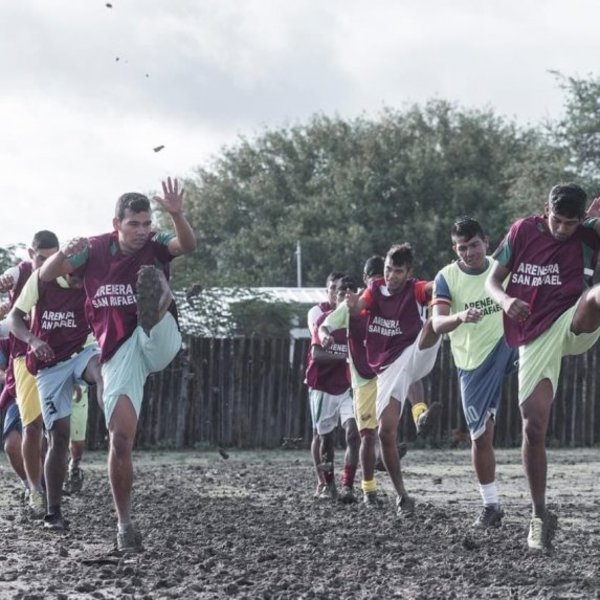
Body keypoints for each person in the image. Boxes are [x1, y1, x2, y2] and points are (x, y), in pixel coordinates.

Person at [39, 177, 196, 552]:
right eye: (134, 224)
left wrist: (177, 215)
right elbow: (46, 276)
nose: (142, 231)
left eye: (146, 223)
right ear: (116, 224)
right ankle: (124, 525)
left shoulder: (156, 245)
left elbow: (186, 245)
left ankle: (155, 307)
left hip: (160, 337)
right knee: (120, 439)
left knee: (154, 293)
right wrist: (63, 256)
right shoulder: (92, 250)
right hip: (119, 352)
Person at [486, 183, 600, 551]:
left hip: (572, 318)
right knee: (533, 427)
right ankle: (539, 515)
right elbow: (492, 280)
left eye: (571, 222)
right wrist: (505, 301)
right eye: (557, 220)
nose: (563, 229)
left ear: (582, 217)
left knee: (598, 294)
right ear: (544, 209)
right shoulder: (522, 230)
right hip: (534, 333)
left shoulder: (590, 233)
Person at [432, 217, 517, 528]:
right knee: (481, 437)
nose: (469, 252)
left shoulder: (502, 267)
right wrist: (461, 316)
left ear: (487, 241)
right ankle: (491, 505)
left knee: (535, 409)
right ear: (455, 249)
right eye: (462, 248)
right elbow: (437, 324)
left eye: (474, 245)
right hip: (472, 364)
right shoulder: (446, 277)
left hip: (507, 347)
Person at [346, 244, 441, 517]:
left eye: (398, 271)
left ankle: (419, 411)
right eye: (388, 269)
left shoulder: (415, 288)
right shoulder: (374, 289)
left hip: (413, 354)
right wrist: (353, 306)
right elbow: (360, 305)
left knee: (432, 324)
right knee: (386, 433)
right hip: (386, 370)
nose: (391, 275)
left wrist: (448, 281)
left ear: (408, 272)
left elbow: (433, 287)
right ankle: (402, 496)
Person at [8, 270, 103, 531]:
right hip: (49, 365)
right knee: (57, 437)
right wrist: (33, 340)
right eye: (76, 277)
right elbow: (14, 319)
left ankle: (114, 423)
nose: (80, 282)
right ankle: (53, 510)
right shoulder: (41, 281)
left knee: (100, 369)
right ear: (65, 269)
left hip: (83, 351)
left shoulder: (95, 283)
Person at [0, 230, 60, 517]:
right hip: (20, 370)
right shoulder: (21, 272)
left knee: (50, 435)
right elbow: (9, 276)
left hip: (54, 367)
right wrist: (5, 282)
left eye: (51, 258)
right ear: (30, 255)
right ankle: (32, 486)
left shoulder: (65, 278)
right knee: (14, 443)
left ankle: (48, 491)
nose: (45, 265)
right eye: (40, 258)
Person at [306, 275, 359, 502]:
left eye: (349, 295)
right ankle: (328, 485)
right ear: (334, 298)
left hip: (348, 386)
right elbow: (317, 355)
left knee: (353, 433)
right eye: (340, 295)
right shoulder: (324, 321)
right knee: (325, 437)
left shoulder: (358, 323)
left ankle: (348, 485)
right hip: (323, 386)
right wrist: (346, 357)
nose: (344, 300)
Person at [306, 271, 344, 498]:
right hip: (321, 379)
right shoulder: (318, 313)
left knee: (350, 430)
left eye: (340, 290)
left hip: (347, 378)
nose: (335, 294)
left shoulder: (351, 313)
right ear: (327, 290)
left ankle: (346, 481)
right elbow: (319, 342)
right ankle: (322, 480)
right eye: (332, 289)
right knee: (319, 434)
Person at [0, 337, 28, 499]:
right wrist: (14, 374)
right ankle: (30, 486)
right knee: (11, 445)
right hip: (16, 395)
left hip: (47, 388)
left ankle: (47, 487)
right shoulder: (5, 337)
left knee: (43, 445)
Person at [64, 383, 89, 495]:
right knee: (56, 438)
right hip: (55, 388)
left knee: (78, 445)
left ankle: (74, 467)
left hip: (79, 394)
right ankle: (57, 477)